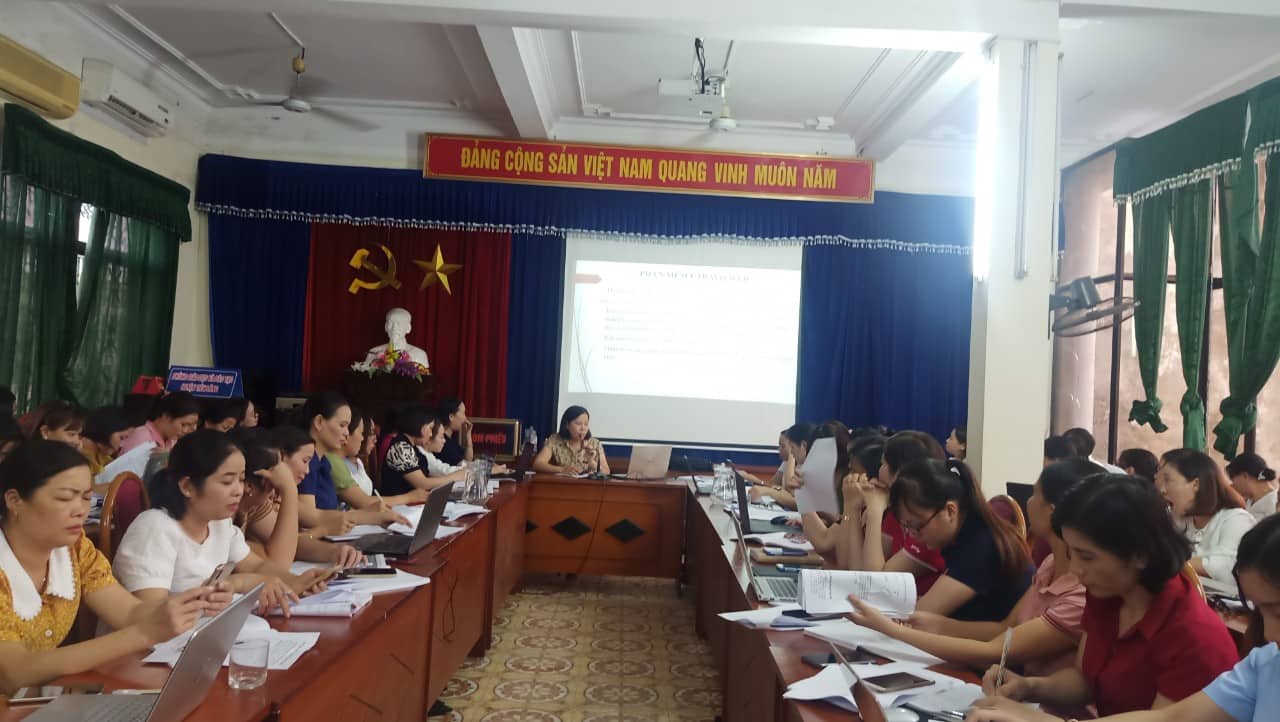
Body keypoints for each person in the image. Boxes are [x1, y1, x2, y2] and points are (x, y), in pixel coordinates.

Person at [969, 475, 1238, 720]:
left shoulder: (1194, 637)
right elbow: (1085, 680)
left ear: (1141, 555)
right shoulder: (1107, 595)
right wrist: (1028, 687)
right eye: (1071, 553)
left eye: (1087, 557)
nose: (1076, 569)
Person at [0, 440, 231, 696]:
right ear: (14, 501)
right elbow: (15, 671)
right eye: (64, 498)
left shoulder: (76, 550)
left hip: (32, 699)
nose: (80, 510)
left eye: (86, 497)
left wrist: (187, 605)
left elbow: (129, 613)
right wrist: (143, 633)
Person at [847, 459, 1101, 677]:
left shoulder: (982, 545)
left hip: (1007, 680)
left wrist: (893, 630)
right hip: (1005, 680)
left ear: (1053, 511)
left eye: (1035, 494)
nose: (1029, 501)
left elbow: (997, 649)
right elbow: (1005, 628)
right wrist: (939, 625)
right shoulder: (1050, 564)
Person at [113, 430, 332, 616]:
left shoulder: (219, 524)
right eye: (227, 481)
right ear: (187, 486)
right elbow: (151, 615)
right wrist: (240, 583)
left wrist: (294, 581)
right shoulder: (154, 528)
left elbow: (256, 566)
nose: (238, 490)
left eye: (241, 479)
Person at [885, 458, 1032, 620]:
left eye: (917, 526)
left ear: (950, 511)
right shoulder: (968, 531)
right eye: (907, 527)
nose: (913, 535)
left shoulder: (980, 547)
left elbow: (919, 615)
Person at [232, 428, 363, 570]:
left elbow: (292, 543)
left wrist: (336, 552)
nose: (307, 470)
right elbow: (279, 563)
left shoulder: (256, 504)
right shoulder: (224, 513)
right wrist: (289, 490)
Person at [294, 392, 404, 531]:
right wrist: (367, 516)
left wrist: (368, 514)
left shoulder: (324, 461)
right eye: (342, 425)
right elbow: (309, 519)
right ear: (319, 422)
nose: (347, 432)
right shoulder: (308, 462)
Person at [857, 432, 948, 594]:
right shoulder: (897, 513)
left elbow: (874, 583)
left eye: (883, 464)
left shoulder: (929, 527)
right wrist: (851, 508)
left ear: (900, 473)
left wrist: (874, 512)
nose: (878, 471)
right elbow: (855, 570)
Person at [1156, 449, 1254, 591]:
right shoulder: (1180, 520)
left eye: (1168, 480)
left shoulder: (1236, 519)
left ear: (1196, 484)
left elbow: (1225, 566)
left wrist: (1166, 563)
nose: (1163, 490)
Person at [333, 410, 427, 509]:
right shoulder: (336, 464)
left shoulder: (359, 462)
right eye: (367, 433)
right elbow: (364, 501)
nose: (362, 438)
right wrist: (409, 497)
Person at [381, 409, 466, 495]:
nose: (431, 434)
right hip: (401, 501)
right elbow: (422, 484)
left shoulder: (412, 446)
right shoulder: (401, 447)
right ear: (419, 426)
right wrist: (454, 477)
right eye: (430, 428)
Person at [533, 406, 610, 475]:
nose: (583, 428)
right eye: (578, 423)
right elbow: (538, 464)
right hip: (562, 484)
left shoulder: (595, 443)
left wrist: (591, 462)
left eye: (586, 424)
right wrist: (562, 469)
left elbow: (606, 471)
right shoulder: (555, 440)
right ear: (567, 424)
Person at [119, 391, 200, 455]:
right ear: (166, 416)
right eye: (184, 424)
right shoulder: (142, 437)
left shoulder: (172, 440)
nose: (189, 430)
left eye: (195, 424)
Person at [742, 429, 800, 509]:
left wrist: (791, 456)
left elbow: (789, 490)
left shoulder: (801, 466)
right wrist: (751, 478)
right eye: (779, 446)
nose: (779, 449)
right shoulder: (785, 462)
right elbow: (772, 484)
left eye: (783, 446)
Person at [80, 406, 135, 478]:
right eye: (121, 438)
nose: (121, 445)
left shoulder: (104, 458)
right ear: (106, 429)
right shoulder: (78, 458)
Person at [1226, 452, 1278, 520]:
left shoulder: (1274, 505)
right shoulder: (1250, 501)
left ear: (1245, 476)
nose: (1233, 485)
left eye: (1233, 480)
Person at [435, 398, 474, 467]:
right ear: (451, 416)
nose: (465, 418)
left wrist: (468, 435)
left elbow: (467, 461)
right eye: (463, 413)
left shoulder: (452, 438)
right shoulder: (442, 443)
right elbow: (464, 466)